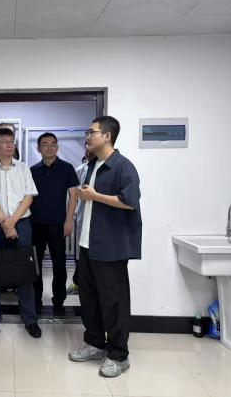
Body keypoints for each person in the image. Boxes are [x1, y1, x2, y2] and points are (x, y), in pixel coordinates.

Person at [68, 116, 142, 378]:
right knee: (89, 299)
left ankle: (119, 355)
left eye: (92, 132)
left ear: (107, 136)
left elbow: (129, 201)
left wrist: (96, 196)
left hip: (111, 247)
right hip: (87, 244)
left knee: (114, 303)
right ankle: (95, 343)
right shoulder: (91, 165)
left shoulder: (122, 166)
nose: (87, 136)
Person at [0, 127, 41, 339]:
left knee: (25, 270)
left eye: (11, 141)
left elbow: (29, 197)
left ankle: (30, 319)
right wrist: (6, 224)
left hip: (21, 222)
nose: (9, 145)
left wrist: (12, 222)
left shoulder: (23, 168)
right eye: (4, 141)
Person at [30, 132, 79, 316]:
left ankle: (58, 302)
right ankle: (36, 302)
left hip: (58, 225)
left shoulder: (67, 168)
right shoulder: (32, 170)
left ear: (57, 147)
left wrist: (69, 220)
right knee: (35, 267)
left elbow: (73, 196)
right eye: (45, 144)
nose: (49, 147)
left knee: (59, 266)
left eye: (53, 144)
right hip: (35, 225)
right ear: (39, 148)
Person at [67, 149, 94, 296]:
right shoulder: (80, 170)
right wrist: (69, 217)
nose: (88, 149)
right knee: (80, 255)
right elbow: (72, 195)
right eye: (86, 146)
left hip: (100, 220)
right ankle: (79, 284)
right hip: (82, 217)